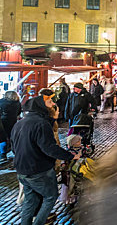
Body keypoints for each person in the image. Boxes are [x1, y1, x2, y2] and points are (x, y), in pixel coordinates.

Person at [11, 92, 79, 225]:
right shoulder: (41, 124)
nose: (53, 104)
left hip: (22, 170)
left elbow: (14, 147)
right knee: (50, 197)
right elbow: (49, 148)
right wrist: (70, 156)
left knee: (31, 200)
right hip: (38, 170)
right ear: (40, 106)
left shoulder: (20, 123)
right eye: (49, 102)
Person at [0, 91, 21, 162]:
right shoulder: (17, 103)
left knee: (2, 138)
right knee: (11, 137)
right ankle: (14, 153)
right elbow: (19, 113)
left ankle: (3, 154)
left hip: (2, 122)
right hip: (12, 122)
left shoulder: (1, 102)